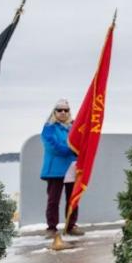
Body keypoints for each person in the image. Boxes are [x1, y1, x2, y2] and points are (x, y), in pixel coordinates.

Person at [40, 99, 82, 236]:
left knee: (73, 199)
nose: (63, 112)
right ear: (55, 112)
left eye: (66, 110)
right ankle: (51, 228)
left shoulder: (75, 127)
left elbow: (82, 142)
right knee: (53, 200)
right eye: (59, 110)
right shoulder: (49, 127)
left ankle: (71, 225)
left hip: (71, 168)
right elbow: (51, 146)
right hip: (55, 170)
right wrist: (70, 150)